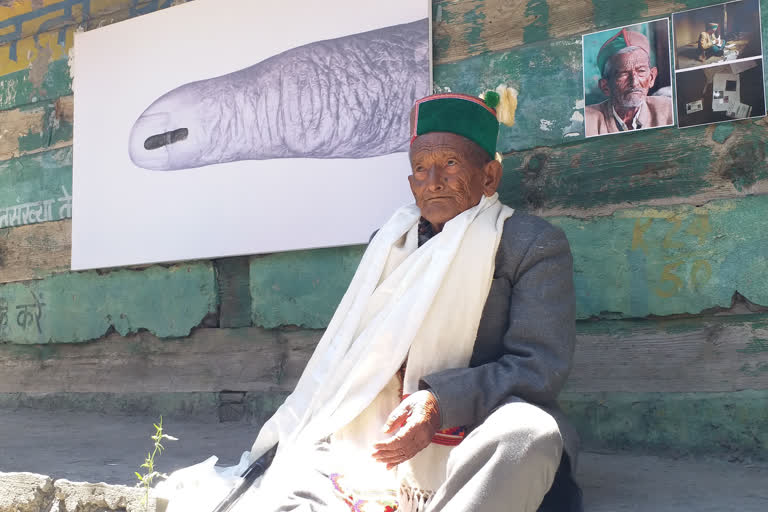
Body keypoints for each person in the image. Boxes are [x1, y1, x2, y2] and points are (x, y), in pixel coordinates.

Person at [161, 91, 582, 512]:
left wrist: (439, 402)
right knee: (297, 465)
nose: (432, 179)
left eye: (450, 164)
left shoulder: (530, 244)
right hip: (378, 428)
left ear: (489, 177)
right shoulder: (389, 244)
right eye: (420, 168)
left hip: (476, 425)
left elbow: (538, 368)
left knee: (528, 433)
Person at [585, 28, 673, 136]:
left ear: (651, 78)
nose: (634, 83)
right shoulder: (586, 122)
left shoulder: (669, 110)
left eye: (641, 71)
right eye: (623, 74)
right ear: (605, 86)